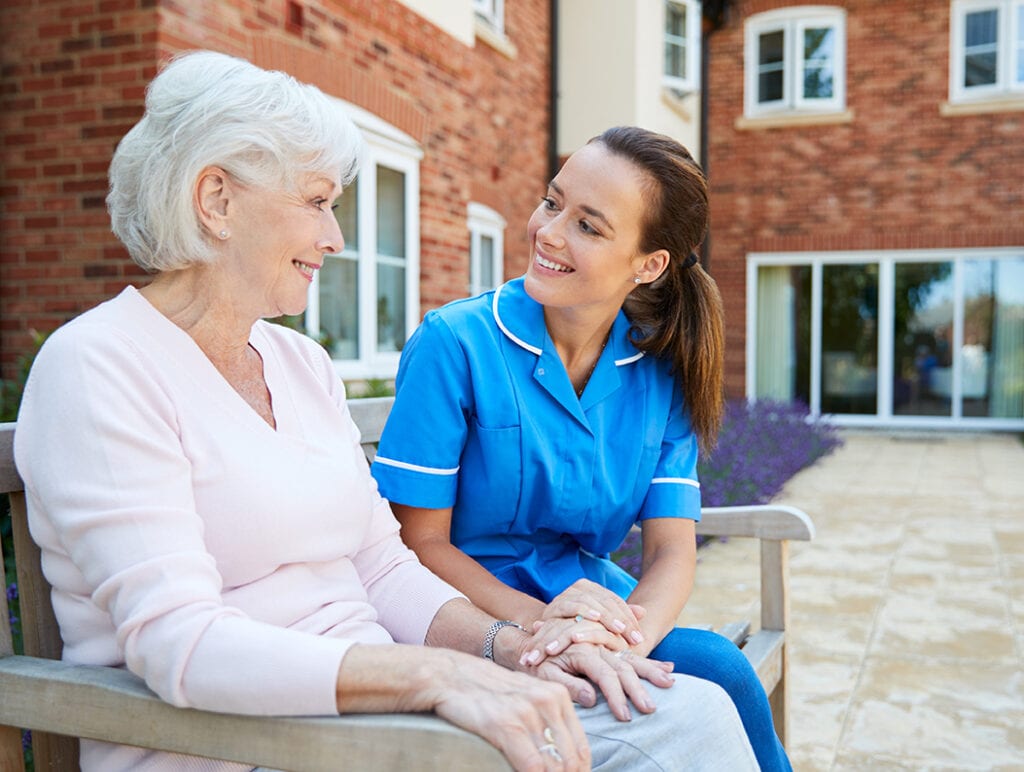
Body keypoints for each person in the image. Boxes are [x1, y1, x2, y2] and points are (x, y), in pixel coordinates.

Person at [13, 52, 759, 771]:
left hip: (381, 711)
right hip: (246, 744)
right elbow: (181, 645)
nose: (335, 238)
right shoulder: (100, 366)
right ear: (217, 201)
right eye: (316, 203)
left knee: (694, 711)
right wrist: (439, 678)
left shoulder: (298, 364)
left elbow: (383, 566)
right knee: (675, 735)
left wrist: (510, 649)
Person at [371, 126, 791, 771]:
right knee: (691, 689)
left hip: (592, 605)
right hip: (464, 615)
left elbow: (673, 549)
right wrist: (547, 632)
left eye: (589, 227)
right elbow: (418, 544)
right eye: (552, 202)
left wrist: (624, 640)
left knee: (719, 671)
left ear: (648, 265)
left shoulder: (660, 370)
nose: (549, 231)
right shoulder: (455, 342)